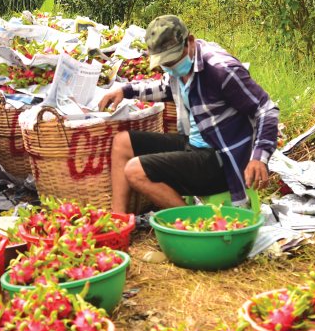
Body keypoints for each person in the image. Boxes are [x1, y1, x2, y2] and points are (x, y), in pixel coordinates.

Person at [100, 15, 279, 214]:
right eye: (165, 63)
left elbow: (266, 109)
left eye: (173, 60)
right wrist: (125, 90)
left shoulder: (221, 70)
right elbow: (165, 88)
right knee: (122, 142)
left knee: (135, 171)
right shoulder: (180, 69)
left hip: (221, 159)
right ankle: (119, 220)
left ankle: (196, 221)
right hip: (195, 145)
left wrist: (259, 157)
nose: (170, 67)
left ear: (190, 42)